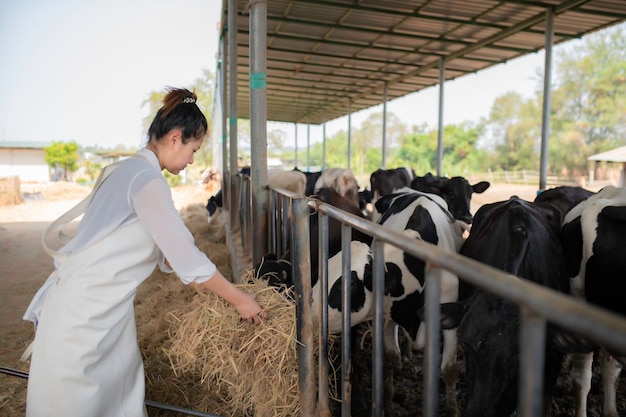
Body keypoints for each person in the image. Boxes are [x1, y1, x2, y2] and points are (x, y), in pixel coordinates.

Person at [22, 87, 268, 417]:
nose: (193, 159)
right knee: (78, 402)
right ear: (175, 138)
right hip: (85, 314)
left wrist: (200, 285)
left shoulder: (124, 170)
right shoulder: (147, 180)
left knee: (114, 392)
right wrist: (239, 299)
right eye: (193, 149)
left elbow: (168, 253)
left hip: (98, 305)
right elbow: (187, 256)